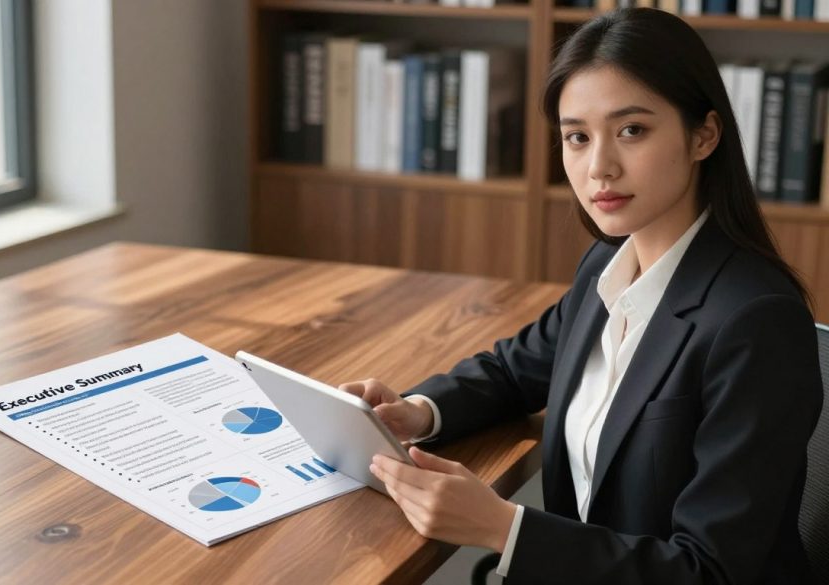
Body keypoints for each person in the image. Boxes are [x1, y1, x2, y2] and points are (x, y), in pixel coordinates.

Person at [337, 7, 823, 584]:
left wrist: (502, 528)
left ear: (704, 135)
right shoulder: (607, 265)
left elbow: (709, 572)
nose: (599, 167)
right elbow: (515, 370)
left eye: (631, 130)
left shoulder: (756, 321)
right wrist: (416, 412)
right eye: (577, 137)